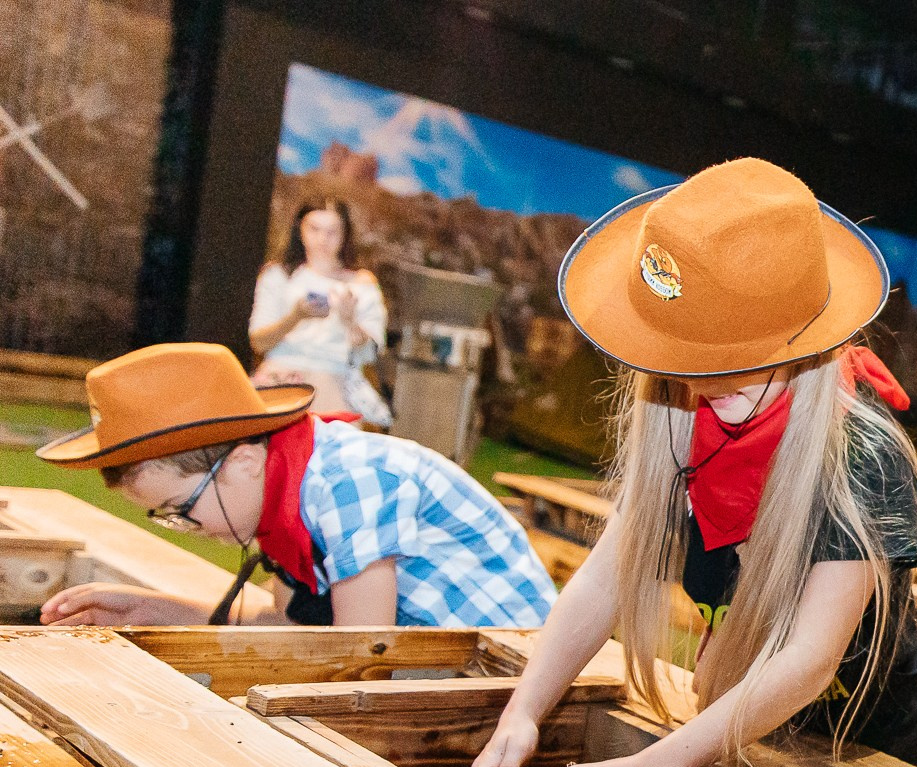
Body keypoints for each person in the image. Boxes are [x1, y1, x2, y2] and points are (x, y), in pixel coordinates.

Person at [451, 158, 917, 767]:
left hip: (864, 762)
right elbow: (604, 581)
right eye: (687, 361)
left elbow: (810, 658)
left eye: (729, 363)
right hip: (724, 732)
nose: (700, 385)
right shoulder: (681, 413)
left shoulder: (863, 456)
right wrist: (523, 712)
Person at [36, 342, 557, 628]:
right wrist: (159, 611)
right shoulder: (283, 490)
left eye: (180, 508)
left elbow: (362, 657)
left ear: (242, 462)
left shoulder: (349, 482)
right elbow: (290, 626)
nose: (183, 526)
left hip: (506, 677)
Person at [249, 197, 393, 426]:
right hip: (279, 381)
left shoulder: (361, 283)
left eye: (332, 232)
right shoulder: (279, 275)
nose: (322, 239)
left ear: (345, 234)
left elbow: (369, 352)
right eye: (314, 229)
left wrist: (349, 320)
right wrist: (295, 316)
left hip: (334, 383)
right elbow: (259, 342)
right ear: (300, 229)